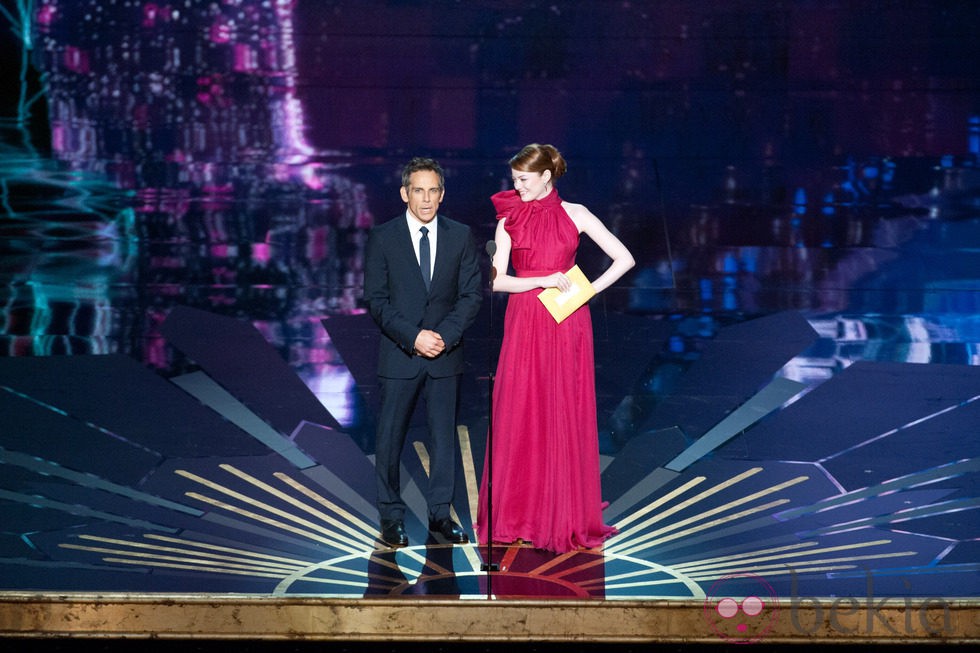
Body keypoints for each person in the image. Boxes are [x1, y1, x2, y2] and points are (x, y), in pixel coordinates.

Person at [476, 143, 635, 553]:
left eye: (524, 180)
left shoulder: (576, 214)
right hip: (526, 317)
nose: (517, 187)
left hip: (567, 320)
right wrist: (541, 280)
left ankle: (560, 512)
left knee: (561, 408)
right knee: (521, 406)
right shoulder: (509, 216)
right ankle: (518, 513)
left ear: (547, 176)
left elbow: (624, 259)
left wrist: (585, 292)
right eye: (514, 180)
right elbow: (494, 280)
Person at [363, 157, 483, 547]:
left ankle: (439, 515)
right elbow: (377, 300)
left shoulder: (461, 236)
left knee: (444, 438)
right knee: (390, 438)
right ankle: (391, 516)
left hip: (445, 356)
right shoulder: (384, 237)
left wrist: (442, 337)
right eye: (419, 190)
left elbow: (470, 297)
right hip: (400, 353)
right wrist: (414, 337)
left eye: (433, 191)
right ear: (404, 193)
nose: (427, 199)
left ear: (442, 194)